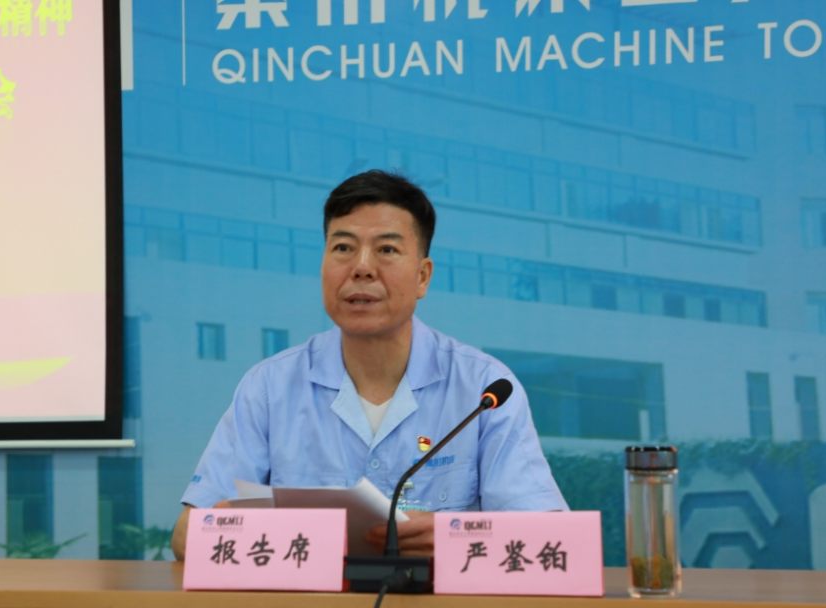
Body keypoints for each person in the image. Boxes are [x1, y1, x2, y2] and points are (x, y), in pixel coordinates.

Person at [171, 170, 567, 561]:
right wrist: (235, 529)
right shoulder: (269, 387)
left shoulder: (484, 388)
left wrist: (456, 540)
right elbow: (187, 536)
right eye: (343, 247)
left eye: (386, 250)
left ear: (422, 277)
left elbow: (551, 543)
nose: (361, 267)